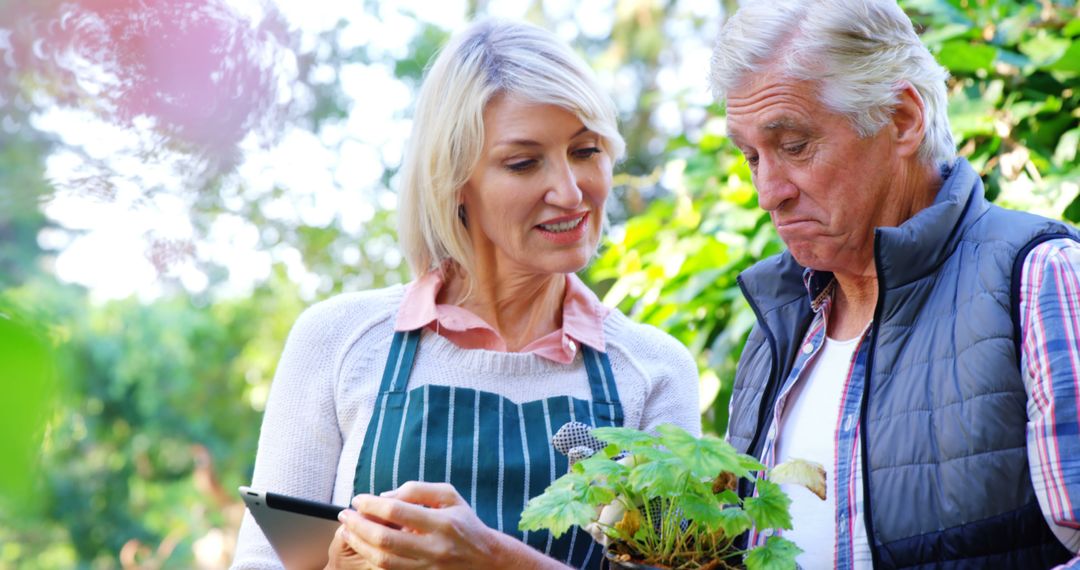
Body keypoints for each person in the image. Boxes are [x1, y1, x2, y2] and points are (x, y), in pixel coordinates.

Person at [231, 18, 701, 570]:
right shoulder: (338, 341)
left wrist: (493, 560)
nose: (572, 192)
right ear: (454, 182)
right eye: (524, 162)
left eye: (585, 150)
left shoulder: (653, 370)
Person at [710, 1, 1080, 568]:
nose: (768, 193)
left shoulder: (1040, 277)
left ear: (902, 119)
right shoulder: (779, 324)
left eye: (794, 145)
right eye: (750, 156)